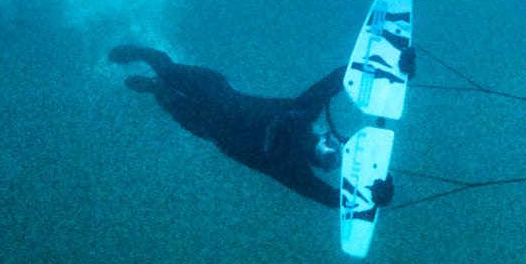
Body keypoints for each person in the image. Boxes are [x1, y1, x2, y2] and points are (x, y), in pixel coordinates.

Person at [108, 45, 386, 209]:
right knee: (168, 71)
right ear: (329, 134)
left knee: (165, 95)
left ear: (323, 169)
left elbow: (330, 198)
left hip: (204, 125)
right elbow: (338, 78)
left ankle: (151, 86)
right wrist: (384, 64)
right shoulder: (304, 110)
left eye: (332, 163)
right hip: (214, 89)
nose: (331, 156)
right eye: (336, 148)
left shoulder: (291, 170)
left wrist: (375, 197)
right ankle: (141, 54)